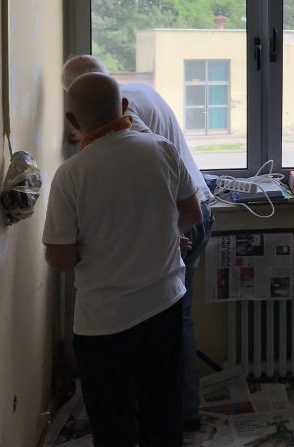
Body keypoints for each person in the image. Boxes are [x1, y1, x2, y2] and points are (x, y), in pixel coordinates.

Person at [43, 72, 202, 447]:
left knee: (112, 422)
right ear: (125, 107)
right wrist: (158, 235)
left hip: (104, 323)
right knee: (162, 411)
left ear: (72, 120)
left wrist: (95, 248)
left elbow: (59, 257)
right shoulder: (161, 149)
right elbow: (191, 213)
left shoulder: (71, 175)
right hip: (164, 307)